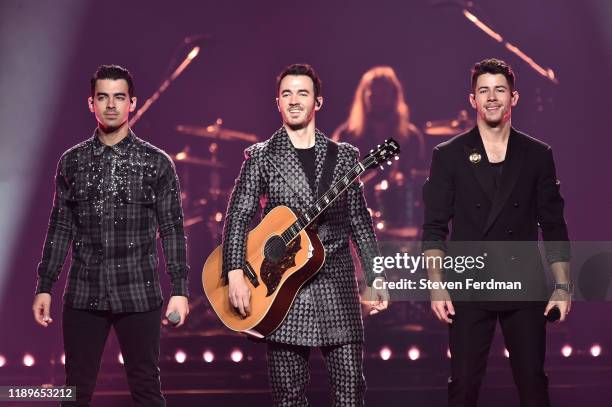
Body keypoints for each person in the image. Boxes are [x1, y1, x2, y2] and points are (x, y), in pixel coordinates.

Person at [222, 63, 388, 406]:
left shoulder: (344, 157)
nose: (294, 100)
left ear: (318, 102)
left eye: (303, 93)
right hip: (280, 289)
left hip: (337, 285)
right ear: (278, 103)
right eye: (287, 94)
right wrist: (235, 271)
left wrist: (375, 274)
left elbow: (359, 219)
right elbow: (238, 215)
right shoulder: (261, 157)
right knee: (288, 398)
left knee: (350, 394)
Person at [32, 65, 190, 406]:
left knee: (146, 386)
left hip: (139, 291)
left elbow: (173, 229)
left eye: (119, 97)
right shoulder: (71, 162)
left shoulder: (157, 163)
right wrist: (45, 285)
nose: (111, 105)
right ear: (91, 103)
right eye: (103, 97)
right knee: (75, 388)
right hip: (84, 292)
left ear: (132, 102)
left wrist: (180, 289)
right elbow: (60, 226)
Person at [421, 58, 571, 407]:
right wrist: (436, 284)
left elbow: (553, 225)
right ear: (472, 99)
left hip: (524, 283)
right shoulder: (448, 155)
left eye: (499, 90)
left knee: (533, 384)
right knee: (463, 385)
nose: (491, 97)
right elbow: (434, 227)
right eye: (483, 90)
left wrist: (563, 287)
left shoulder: (537, 154)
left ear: (513, 98)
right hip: (469, 284)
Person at [333, 66, 426, 232]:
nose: (378, 100)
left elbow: (420, 181)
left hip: (401, 221)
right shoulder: (346, 136)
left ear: (394, 97)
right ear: (364, 97)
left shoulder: (411, 137)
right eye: (373, 95)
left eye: (384, 95)